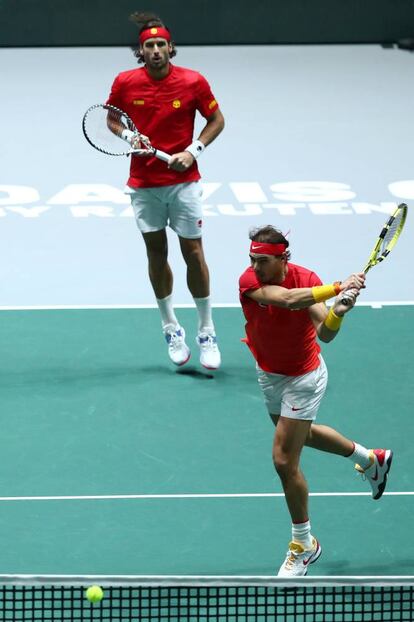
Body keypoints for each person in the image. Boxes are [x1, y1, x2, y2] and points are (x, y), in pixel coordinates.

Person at [239, 225, 393, 577]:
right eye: (252, 259)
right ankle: (371, 459)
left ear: (282, 258)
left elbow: (326, 332)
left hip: (304, 378)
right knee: (299, 436)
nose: (255, 266)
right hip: (270, 372)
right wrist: (339, 286)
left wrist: (340, 309)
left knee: (283, 460)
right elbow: (290, 300)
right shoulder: (249, 282)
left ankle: (303, 544)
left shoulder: (307, 277)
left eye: (263, 260)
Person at [106, 11, 224, 369]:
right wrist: (129, 135)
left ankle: (206, 329)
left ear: (171, 48)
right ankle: (170, 326)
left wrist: (193, 151)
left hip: (184, 182)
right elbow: (111, 117)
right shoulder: (125, 83)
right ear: (140, 52)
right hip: (144, 184)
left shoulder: (193, 82)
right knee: (156, 253)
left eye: (160, 44)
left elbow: (216, 119)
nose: (155, 50)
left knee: (194, 253)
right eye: (148, 46)